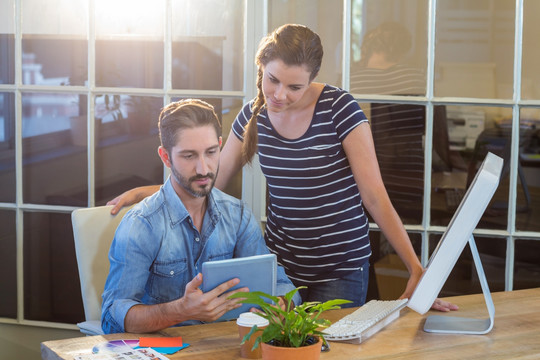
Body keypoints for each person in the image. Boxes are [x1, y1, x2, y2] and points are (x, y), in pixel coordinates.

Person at [107, 24, 457, 312]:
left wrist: (415, 268)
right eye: (272, 79)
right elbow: (208, 181)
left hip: (340, 267)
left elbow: (374, 196)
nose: (280, 95)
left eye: (295, 87)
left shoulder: (339, 110)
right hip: (280, 267)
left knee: (328, 350)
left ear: (312, 79)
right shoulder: (252, 117)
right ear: (261, 67)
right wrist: (148, 192)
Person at [101, 99, 300, 334]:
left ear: (220, 146)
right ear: (166, 157)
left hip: (227, 347)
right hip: (164, 351)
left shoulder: (238, 215)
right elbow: (111, 317)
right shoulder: (141, 225)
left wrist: (278, 305)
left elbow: (283, 287)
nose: (203, 169)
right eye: (189, 156)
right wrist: (181, 310)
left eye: (211, 152)